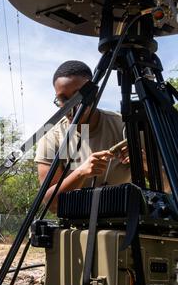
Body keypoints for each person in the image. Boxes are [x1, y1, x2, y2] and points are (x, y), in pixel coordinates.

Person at [35, 60, 136, 212]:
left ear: (94, 93)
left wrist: (144, 163)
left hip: (124, 225)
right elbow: (51, 203)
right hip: (76, 228)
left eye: (78, 96)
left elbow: (167, 187)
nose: (71, 105)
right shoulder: (50, 136)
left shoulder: (123, 126)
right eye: (63, 99)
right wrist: (81, 172)